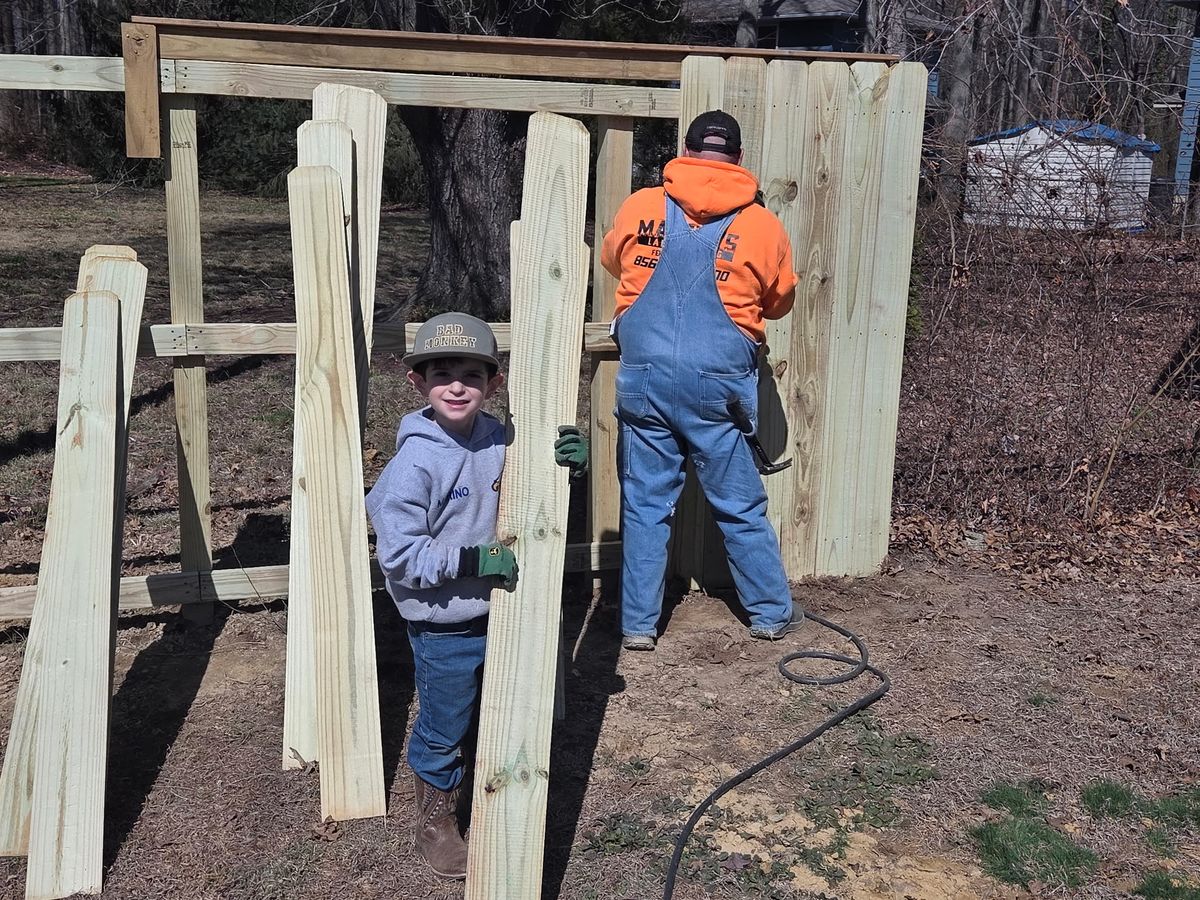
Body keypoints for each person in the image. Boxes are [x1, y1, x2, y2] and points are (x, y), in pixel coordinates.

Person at [365, 312, 587, 879]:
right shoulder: (415, 463)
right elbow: (399, 557)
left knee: (499, 706)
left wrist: (567, 467)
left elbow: (534, 486)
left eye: (471, 374)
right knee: (445, 723)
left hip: (504, 611)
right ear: (418, 382)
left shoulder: (500, 439)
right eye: (442, 374)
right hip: (444, 623)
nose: (457, 386)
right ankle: (434, 820)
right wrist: (471, 560)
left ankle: (497, 787)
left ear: (494, 382)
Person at [600, 110, 803, 652]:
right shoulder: (763, 225)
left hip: (644, 381)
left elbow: (613, 260)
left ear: (685, 150)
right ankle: (770, 613)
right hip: (718, 389)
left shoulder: (642, 206)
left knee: (645, 506)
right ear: (738, 158)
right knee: (739, 505)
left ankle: (638, 626)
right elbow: (779, 302)